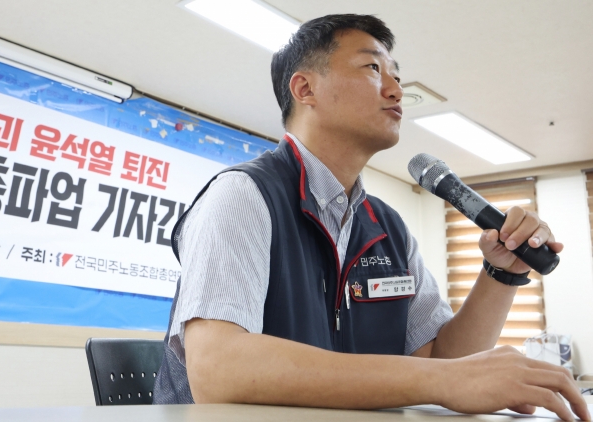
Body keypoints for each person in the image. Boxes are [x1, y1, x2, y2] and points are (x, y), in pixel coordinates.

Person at [154, 14, 589, 421]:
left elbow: (443, 363)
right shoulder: (244, 195)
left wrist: (502, 273)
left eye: (396, 76)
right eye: (372, 69)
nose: (397, 90)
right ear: (305, 89)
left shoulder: (389, 228)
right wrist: (444, 380)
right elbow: (218, 371)